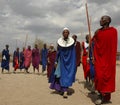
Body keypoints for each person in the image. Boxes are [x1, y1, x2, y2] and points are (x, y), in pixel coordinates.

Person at [93, 16, 118, 105]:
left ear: (107, 21)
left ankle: (106, 96)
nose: (100, 20)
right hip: (99, 58)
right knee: (99, 77)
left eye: (102, 19)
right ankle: (100, 94)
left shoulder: (113, 31)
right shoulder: (98, 32)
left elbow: (113, 45)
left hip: (109, 59)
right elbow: (94, 42)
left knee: (108, 78)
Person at [50, 27, 76, 98]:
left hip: (69, 62)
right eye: (64, 32)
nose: (65, 33)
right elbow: (58, 53)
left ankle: (64, 89)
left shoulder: (72, 44)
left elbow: (73, 54)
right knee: (62, 76)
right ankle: (64, 91)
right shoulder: (60, 43)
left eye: (67, 32)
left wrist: (73, 63)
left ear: (69, 33)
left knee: (68, 76)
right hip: (62, 62)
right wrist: (56, 61)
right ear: (62, 34)